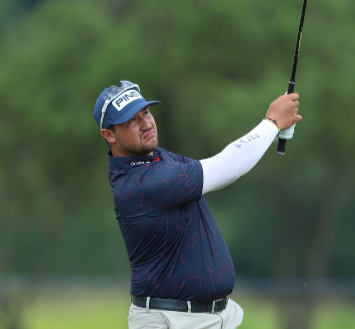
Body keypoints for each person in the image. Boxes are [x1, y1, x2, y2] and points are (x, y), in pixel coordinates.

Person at [93, 80, 301, 329]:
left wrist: (273, 127)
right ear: (109, 135)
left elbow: (217, 171)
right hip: (172, 320)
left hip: (214, 317)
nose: (146, 123)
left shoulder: (157, 159)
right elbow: (227, 166)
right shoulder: (140, 183)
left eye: (146, 113)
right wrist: (272, 123)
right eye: (132, 121)